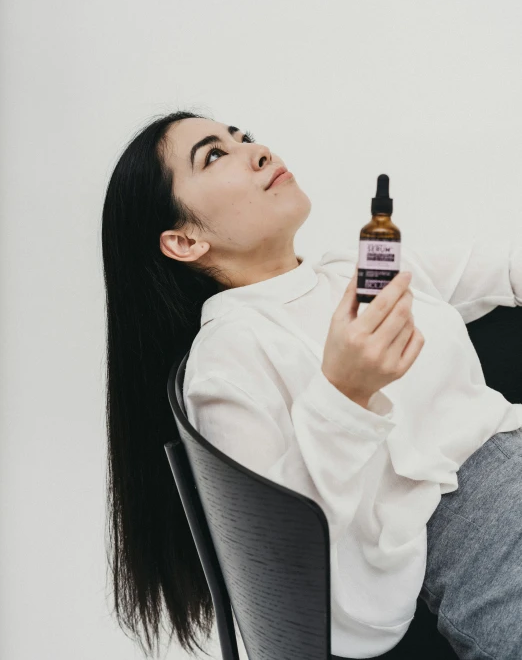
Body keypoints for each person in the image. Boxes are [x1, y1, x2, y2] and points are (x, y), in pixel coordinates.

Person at [102, 111, 522, 659]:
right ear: (184, 241)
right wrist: (345, 392)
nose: (255, 150)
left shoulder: (351, 269)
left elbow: (498, 270)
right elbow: (274, 561)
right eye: (213, 155)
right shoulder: (228, 354)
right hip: (482, 517)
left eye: (242, 136)